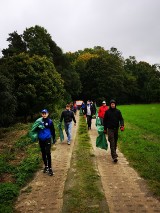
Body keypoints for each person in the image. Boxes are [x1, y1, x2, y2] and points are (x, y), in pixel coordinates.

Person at [31, 109, 55, 176]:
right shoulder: (38, 121)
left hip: (47, 138)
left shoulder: (50, 122)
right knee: (43, 153)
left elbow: (53, 130)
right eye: (43, 113)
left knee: (48, 152)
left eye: (45, 113)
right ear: (42, 114)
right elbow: (34, 129)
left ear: (48, 114)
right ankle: (46, 166)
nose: (44, 114)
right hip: (41, 139)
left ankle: (50, 168)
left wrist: (54, 138)